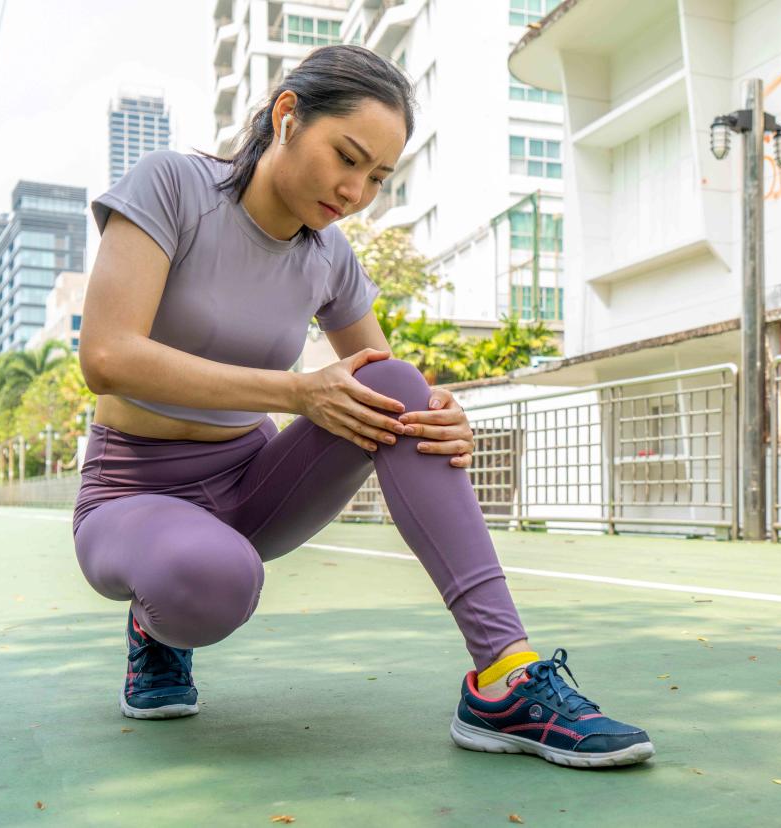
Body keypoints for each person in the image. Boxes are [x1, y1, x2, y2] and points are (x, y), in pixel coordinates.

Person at [71, 45, 653, 769]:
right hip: (135, 491)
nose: (354, 190)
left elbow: (385, 382)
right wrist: (290, 391)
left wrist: (440, 413)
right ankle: (156, 635)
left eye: (377, 176)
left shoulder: (330, 256)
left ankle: (503, 674)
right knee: (214, 580)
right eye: (346, 158)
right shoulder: (174, 185)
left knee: (399, 386)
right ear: (286, 116)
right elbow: (107, 357)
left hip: (251, 488)